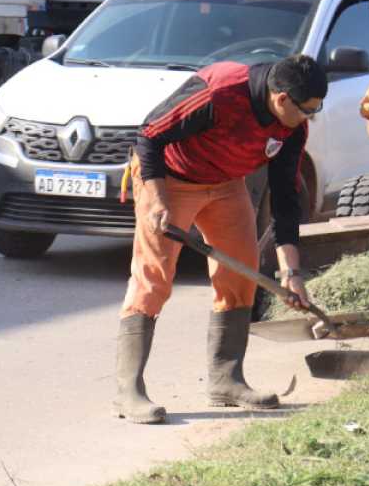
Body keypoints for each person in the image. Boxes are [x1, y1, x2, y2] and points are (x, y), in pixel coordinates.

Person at [113, 55, 327, 424]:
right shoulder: (221, 92)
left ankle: (226, 379)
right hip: (170, 178)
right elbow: (148, 135)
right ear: (281, 99)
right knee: (153, 279)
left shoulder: (292, 128)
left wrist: (291, 272)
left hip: (226, 184)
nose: (310, 117)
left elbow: (285, 199)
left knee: (240, 273)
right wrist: (158, 198)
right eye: (308, 109)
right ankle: (128, 391)